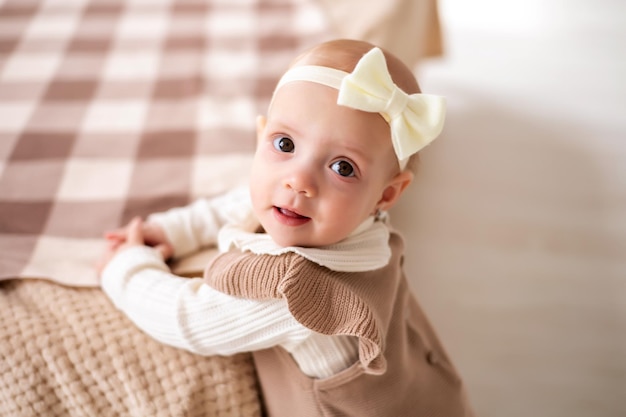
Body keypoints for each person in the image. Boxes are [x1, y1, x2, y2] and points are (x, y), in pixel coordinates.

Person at [98, 39, 474, 417]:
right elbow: (240, 203)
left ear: (386, 195)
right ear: (261, 137)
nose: (299, 181)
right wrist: (174, 229)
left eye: (343, 167)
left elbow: (187, 319)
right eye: (285, 143)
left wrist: (126, 267)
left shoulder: (299, 296)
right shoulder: (354, 216)